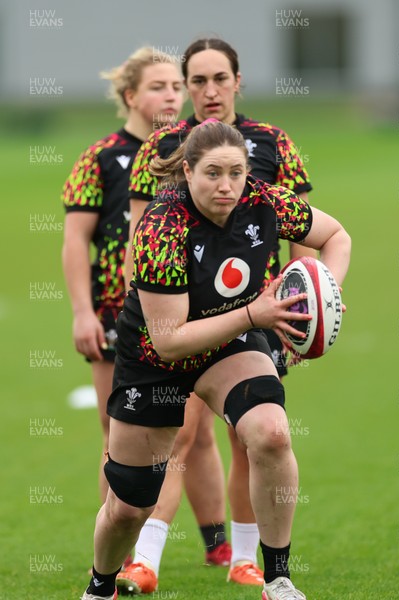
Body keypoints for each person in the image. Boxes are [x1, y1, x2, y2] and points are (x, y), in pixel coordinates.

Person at [80, 119, 351, 600]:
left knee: (270, 433)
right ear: (186, 171)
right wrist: (255, 312)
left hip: (230, 340)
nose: (226, 186)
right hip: (155, 356)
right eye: (212, 173)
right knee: (129, 506)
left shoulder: (264, 200)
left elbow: (336, 237)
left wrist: (323, 292)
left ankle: (277, 578)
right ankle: (101, 586)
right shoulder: (161, 225)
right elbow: (169, 341)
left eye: (236, 172)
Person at [120, 37, 316, 593]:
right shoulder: (163, 147)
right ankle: (146, 558)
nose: (208, 91)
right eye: (196, 81)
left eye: (219, 79)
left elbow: (306, 237)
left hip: (261, 314)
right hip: (178, 313)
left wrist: (304, 309)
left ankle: (247, 560)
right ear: (186, 87)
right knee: (178, 436)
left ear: (237, 81)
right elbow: (140, 235)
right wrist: (138, 310)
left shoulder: (275, 143)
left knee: (256, 436)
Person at [62, 48, 183, 506]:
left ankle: (213, 543)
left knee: (184, 436)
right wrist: (82, 314)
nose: (171, 96)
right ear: (130, 95)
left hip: (181, 312)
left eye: (176, 86)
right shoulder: (101, 157)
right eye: (157, 87)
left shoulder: (193, 152)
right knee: (117, 436)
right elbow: (75, 241)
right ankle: (115, 550)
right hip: (116, 311)